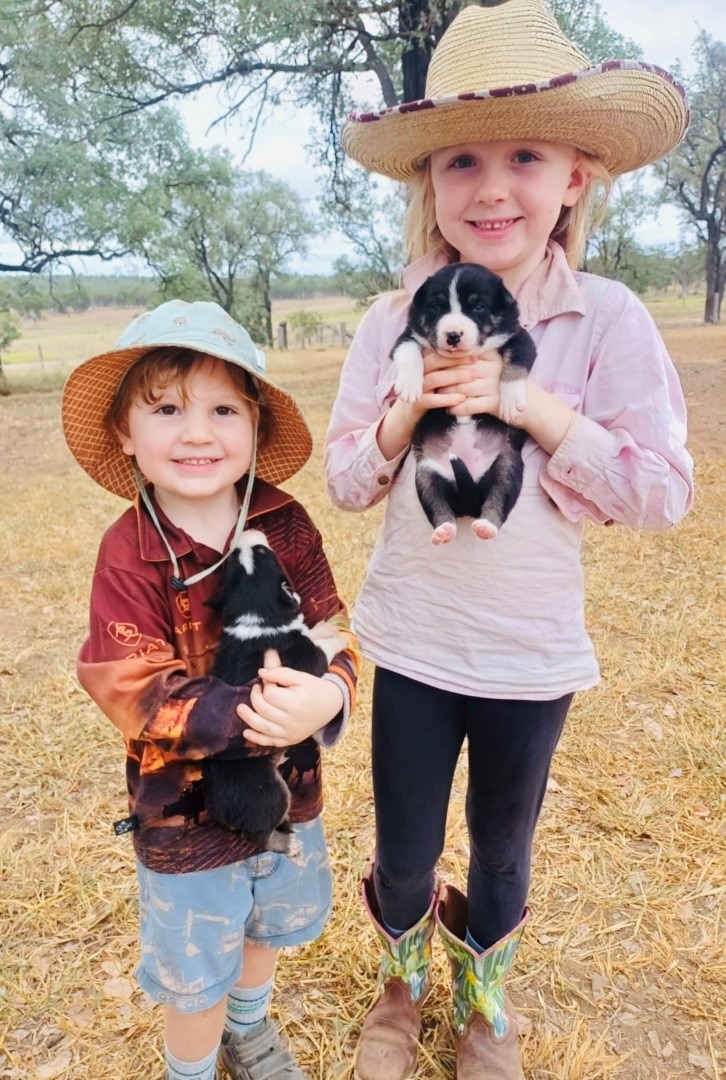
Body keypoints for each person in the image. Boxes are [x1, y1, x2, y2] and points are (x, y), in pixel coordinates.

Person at [325, 2, 694, 1078]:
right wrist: (405, 414)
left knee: (502, 849)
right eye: (462, 162)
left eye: (526, 156)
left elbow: (663, 493)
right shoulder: (390, 321)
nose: (492, 189)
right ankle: (400, 991)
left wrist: (531, 406)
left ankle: (485, 1008)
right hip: (417, 638)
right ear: (428, 183)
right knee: (402, 852)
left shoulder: (609, 319)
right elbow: (349, 481)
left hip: (531, 654)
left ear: (576, 174)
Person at [61, 299, 360, 1080]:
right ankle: (188, 1069)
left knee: (265, 923)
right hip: (181, 816)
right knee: (195, 964)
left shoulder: (285, 523)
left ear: (255, 425)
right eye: (166, 409)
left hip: (290, 790)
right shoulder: (129, 551)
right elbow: (132, 688)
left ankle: (251, 1031)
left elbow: (333, 627)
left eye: (224, 408)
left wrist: (330, 695)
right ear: (126, 433)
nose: (197, 433)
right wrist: (257, 714)